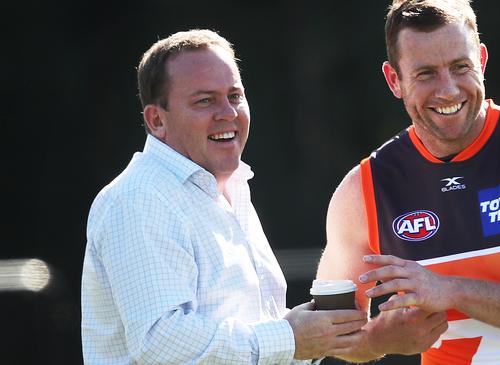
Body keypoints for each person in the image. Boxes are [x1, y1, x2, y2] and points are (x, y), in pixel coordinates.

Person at [316, 0, 500, 364]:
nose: (449, 90)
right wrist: (381, 338)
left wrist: (451, 291)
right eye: (426, 74)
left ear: (482, 61)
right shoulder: (363, 189)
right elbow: (331, 334)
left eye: (460, 67)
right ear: (395, 80)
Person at [81, 29, 368, 364]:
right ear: (156, 120)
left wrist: (312, 335)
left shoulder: (230, 187)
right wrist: (289, 338)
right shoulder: (138, 198)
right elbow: (160, 341)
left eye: (234, 96)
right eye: (205, 100)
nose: (228, 113)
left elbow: (255, 335)